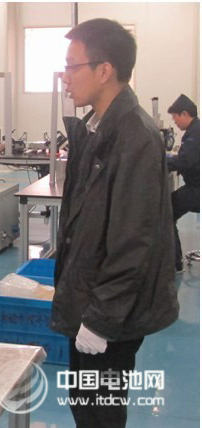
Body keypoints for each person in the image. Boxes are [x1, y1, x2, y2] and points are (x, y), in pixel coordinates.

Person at [52, 19, 179, 428]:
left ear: (105, 70)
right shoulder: (96, 130)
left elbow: (134, 241)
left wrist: (101, 319)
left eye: (72, 66)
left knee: (100, 413)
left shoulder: (135, 136)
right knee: (84, 404)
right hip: (89, 299)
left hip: (109, 314)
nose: (66, 77)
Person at [166, 94, 200, 272]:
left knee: (167, 211)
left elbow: (184, 162)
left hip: (197, 189)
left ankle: (174, 263)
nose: (175, 122)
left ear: (185, 114)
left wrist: (161, 160)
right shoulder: (195, 131)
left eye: (175, 117)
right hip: (195, 186)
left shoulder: (195, 133)